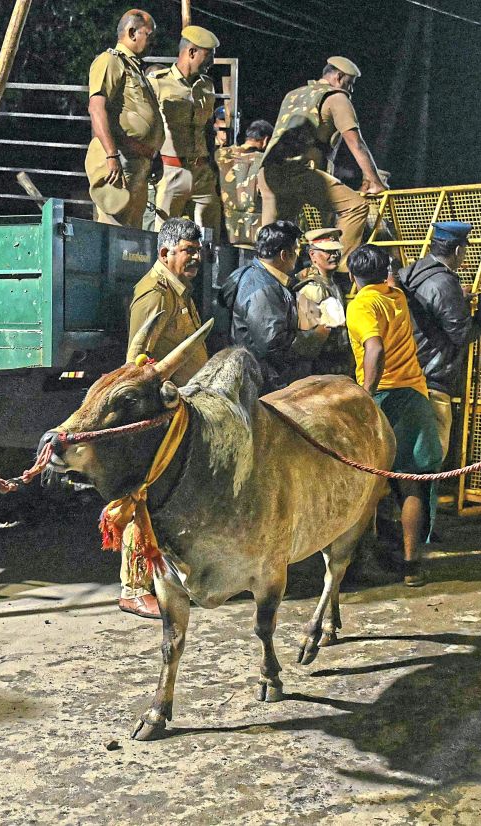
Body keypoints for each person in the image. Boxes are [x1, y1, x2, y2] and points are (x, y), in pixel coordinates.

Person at [120, 217, 208, 620]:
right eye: (188, 250)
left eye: (197, 250)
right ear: (165, 253)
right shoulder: (154, 295)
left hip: (186, 410)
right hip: (159, 416)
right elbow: (137, 366)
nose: (196, 257)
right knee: (142, 494)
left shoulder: (178, 290)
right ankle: (133, 588)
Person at [347, 243, 441, 587]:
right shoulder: (396, 297)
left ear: (353, 275)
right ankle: (411, 566)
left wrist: (366, 397)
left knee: (367, 485)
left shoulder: (361, 305)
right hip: (414, 395)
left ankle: (357, 564)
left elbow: (375, 348)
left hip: (382, 397)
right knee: (411, 482)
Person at [257, 57, 386, 273]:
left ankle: (268, 277)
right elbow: (355, 142)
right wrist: (375, 181)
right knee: (356, 206)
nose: (351, 90)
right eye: (350, 83)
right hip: (298, 173)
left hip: (267, 174)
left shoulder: (294, 95)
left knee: (275, 237)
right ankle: (343, 271)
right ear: (338, 77)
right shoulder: (336, 98)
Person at [397, 221, 481, 455]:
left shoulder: (409, 271)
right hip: (433, 378)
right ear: (458, 250)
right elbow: (461, 334)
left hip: (405, 371)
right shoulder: (445, 282)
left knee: (404, 449)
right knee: (432, 452)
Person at [219, 220, 329, 389]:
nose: (299, 256)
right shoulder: (263, 288)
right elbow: (272, 344)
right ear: (284, 255)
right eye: (296, 250)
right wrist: (316, 337)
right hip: (265, 384)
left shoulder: (264, 279)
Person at [85, 9, 165, 228]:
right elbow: (96, 108)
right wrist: (111, 155)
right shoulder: (111, 61)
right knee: (115, 234)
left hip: (137, 163)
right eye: (149, 35)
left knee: (132, 237)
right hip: (121, 162)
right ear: (132, 32)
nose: (153, 42)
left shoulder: (134, 67)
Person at [149, 26, 221, 232]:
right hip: (171, 170)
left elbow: (207, 128)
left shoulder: (207, 86)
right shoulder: (158, 83)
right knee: (164, 235)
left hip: (202, 173)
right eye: (208, 56)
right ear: (191, 52)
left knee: (210, 236)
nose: (212, 63)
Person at [294, 227, 355, 377]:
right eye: (328, 252)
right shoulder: (312, 288)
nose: (334, 256)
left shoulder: (331, 282)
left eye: (336, 251)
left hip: (337, 362)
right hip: (322, 365)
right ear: (312, 255)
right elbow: (307, 338)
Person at [215, 119, 271, 247]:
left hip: (224, 230)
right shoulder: (266, 162)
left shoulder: (220, 155)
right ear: (266, 140)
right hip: (253, 233)